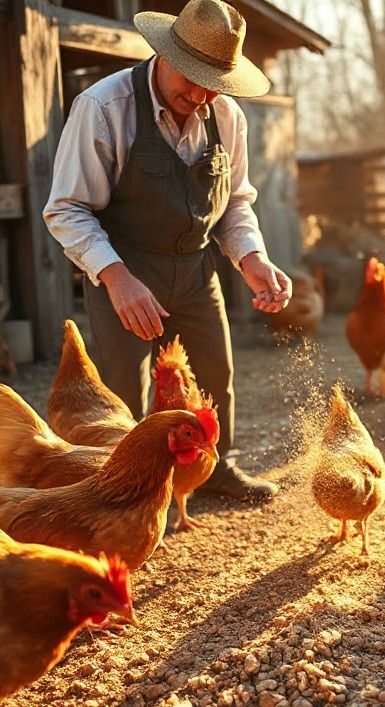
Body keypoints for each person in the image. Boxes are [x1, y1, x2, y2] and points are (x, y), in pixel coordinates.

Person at [44, 0, 292, 501]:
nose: (201, 94)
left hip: (196, 268)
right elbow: (67, 208)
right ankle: (129, 492)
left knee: (216, 377)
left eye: (214, 81)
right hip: (126, 266)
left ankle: (215, 471)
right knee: (124, 392)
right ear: (165, 53)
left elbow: (235, 202)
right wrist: (116, 277)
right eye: (193, 76)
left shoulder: (227, 116)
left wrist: (252, 258)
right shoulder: (104, 108)